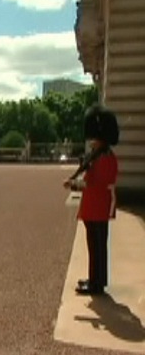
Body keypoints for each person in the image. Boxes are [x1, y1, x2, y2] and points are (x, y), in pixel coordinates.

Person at [63, 104, 119, 296]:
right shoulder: (102, 156)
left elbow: (93, 184)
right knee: (96, 246)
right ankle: (96, 279)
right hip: (97, 207)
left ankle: (96, 284)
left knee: (97, 247)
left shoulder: (104, 158)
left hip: (97, 207)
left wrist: (73, 185)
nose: (91, 141)